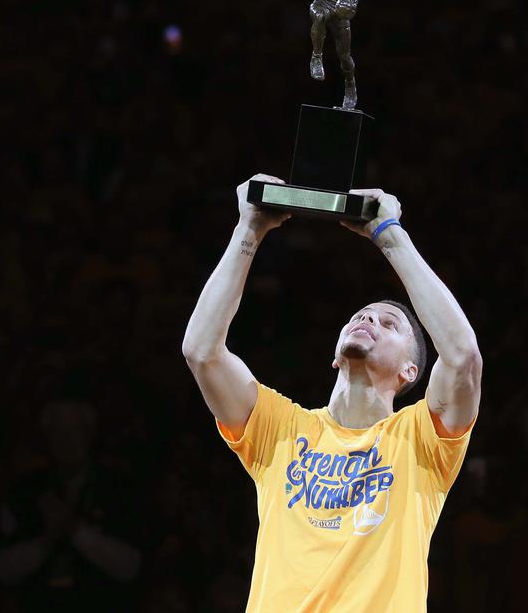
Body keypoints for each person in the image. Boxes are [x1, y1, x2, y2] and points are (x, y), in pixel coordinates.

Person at [182, 175, 482, 612]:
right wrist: (248, 229)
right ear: (336, 356)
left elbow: (463, 358)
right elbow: (201, 350)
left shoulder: (422, 440)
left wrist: (389, 235)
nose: (369, 321)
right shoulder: (279, 429)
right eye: (361, 316)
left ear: (410, 370)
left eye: (389, 324)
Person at [0, 393, 144, 612]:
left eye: (75, 430)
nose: (66, 440)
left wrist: (75, 530)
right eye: (57, 431)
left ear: (90, 434)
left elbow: (131, 567)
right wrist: (46, 541)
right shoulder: (27, 490)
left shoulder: (117, 488)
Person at [298, 0, 363, 110]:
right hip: (322, 2)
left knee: (345, 57)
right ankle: (316, 57)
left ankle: (350, 83)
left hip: (339, 9)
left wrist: (351, 2)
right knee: (318, 15)